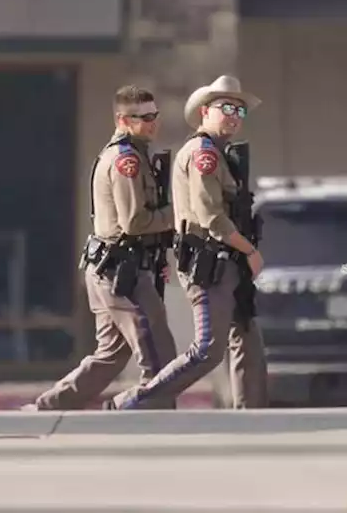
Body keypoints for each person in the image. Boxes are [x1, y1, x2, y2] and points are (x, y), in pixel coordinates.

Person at [106, 75, 268, 410]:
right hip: (209, 263)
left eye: (240, 110)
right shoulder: (203, 154)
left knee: (248, 341)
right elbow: (211, 216)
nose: (235, 115)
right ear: (205, 111)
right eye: (226, 107)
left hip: (227, 260)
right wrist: (249, 251)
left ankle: (251, 415)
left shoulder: (222, 153)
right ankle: (132, 401)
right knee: (207, 350)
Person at [25, 85, 178, 411]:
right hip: (122, 272)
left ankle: (48, 407)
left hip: (112, 269)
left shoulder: (133, 155)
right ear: (123, 120)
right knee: (160, 357)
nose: (153, 122)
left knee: (110, 356)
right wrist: (179, 212)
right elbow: (134, 222)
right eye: (144, 117)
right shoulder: (127, 161)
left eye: (155, 115)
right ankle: (130, 409)